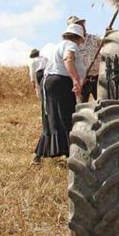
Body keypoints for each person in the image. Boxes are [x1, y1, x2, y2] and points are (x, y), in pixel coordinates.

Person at [33, 23, 86, 162]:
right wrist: (75, 79)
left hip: (50, 82)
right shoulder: (71, 45)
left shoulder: (59, 45)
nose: (81, 42)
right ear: (78, 37)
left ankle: (38, 156)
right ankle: (71, 155)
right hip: (60, 83)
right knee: (66, 117)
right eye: (81, 39)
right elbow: (68, 59)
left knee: (51, 117)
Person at [66, 15, 101, 102]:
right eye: (78, 25)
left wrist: (108, 34)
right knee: (81, 105)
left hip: (98, 78)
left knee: (103, 103)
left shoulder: (94, 38)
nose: (82, 26)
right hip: (83, 81)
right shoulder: (70, 44)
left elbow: (105, 42)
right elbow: (69, 62)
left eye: (82, 24)